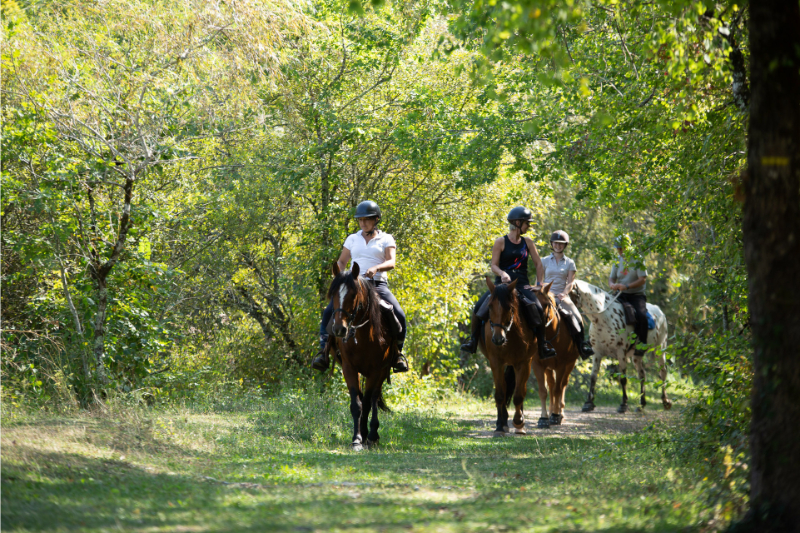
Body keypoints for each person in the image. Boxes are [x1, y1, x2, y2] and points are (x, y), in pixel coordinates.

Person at [311, 201, 409, 373]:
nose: (363, 223)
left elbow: (391, 261)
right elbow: (342, 261)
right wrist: (341, 275)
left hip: (377, 285)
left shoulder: (386, 238)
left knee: (398, 313)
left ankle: (398, 353)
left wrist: (376, 268)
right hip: (353, 285)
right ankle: (323, 351)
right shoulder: (352, 238)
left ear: (376, 219)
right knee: (329, 311)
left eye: (367, 220)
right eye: (360, 220)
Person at [460, 206, 557, 359]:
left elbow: (538, 264)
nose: (529, 226)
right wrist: (502, 273)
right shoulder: (500, 241)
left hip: (522, 284)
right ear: (517, 223)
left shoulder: (528, 242)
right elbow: (493, 265)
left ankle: (542, 346)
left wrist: (539, 284)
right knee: (479, 307)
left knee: (538, 308)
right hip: (501, 286)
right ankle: (472, 341)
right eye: (527, 223)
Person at [541, 230, 595, 360]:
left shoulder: (570, 263)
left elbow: (570, 282)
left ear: (565, 245)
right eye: (556, 243)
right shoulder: (544, 261)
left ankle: (582, 346)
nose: (558, 246)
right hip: (546, 295)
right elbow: (540, 280)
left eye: (561, 244)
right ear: (552, 244)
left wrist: (564, 294)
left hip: (562, 296)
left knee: (576, 316)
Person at [609, 234, 648, 356]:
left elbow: (642, 279)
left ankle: (642, 343)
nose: (620, 250)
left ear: (629, 247)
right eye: (618, 248)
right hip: (620, 294)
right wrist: (612, 285)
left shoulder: (638, 259)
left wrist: (627, 286)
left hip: (636, 295)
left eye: (622, 248)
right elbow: (611, 279)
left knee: (642, 315)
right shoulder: (617, 260)